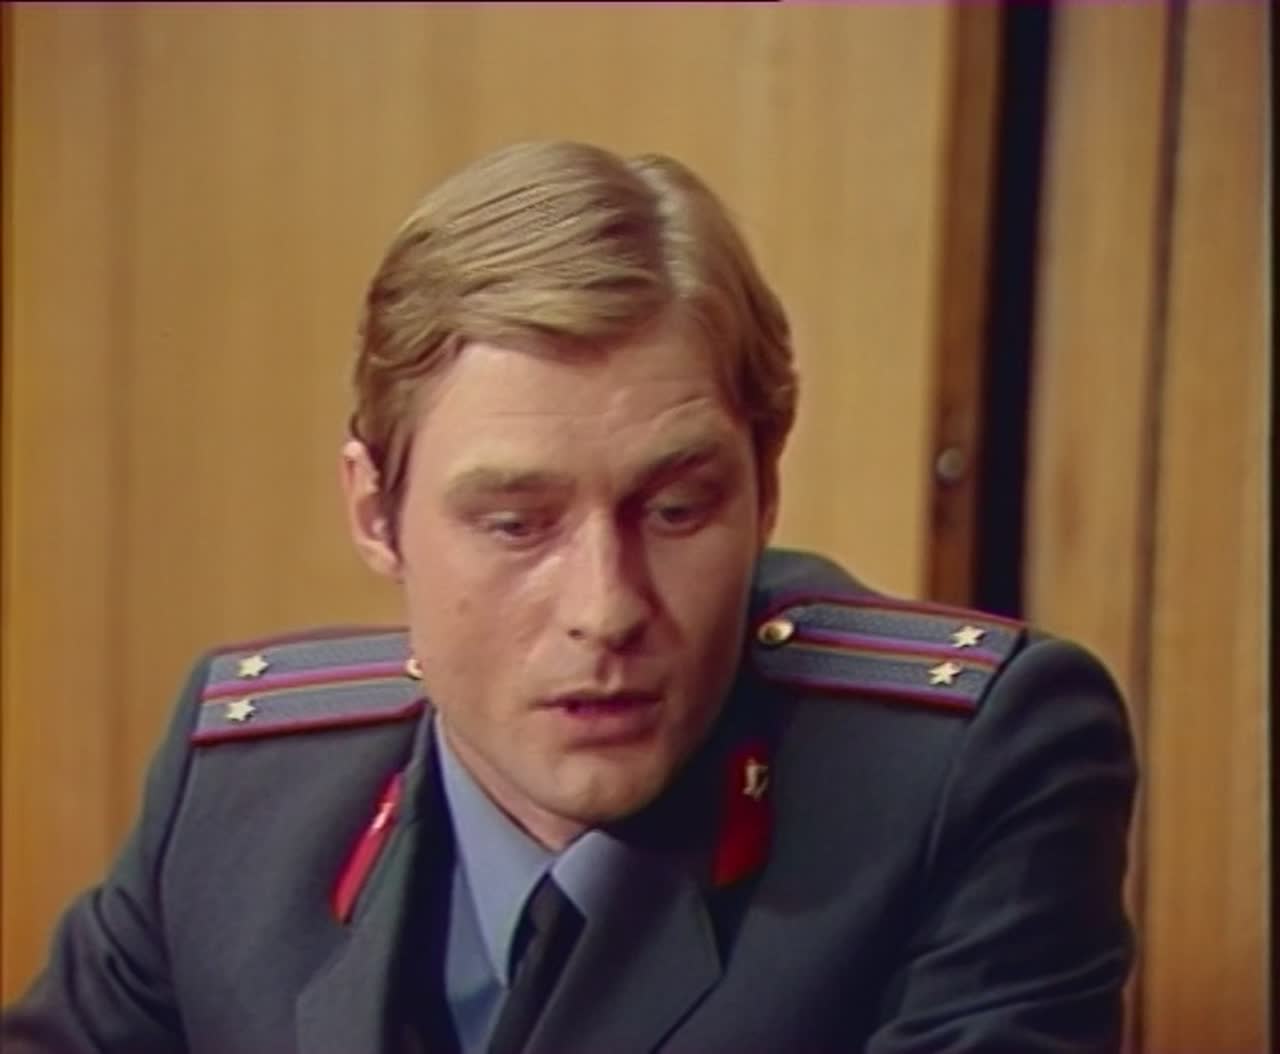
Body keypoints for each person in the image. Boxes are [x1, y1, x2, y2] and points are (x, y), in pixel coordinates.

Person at [2, 140, 1136, 1054]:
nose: (606, 608)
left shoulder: (964, 773)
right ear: (375, 513)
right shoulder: (241, 792)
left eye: (676, 510)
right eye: (516, 524)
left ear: (765, 488)